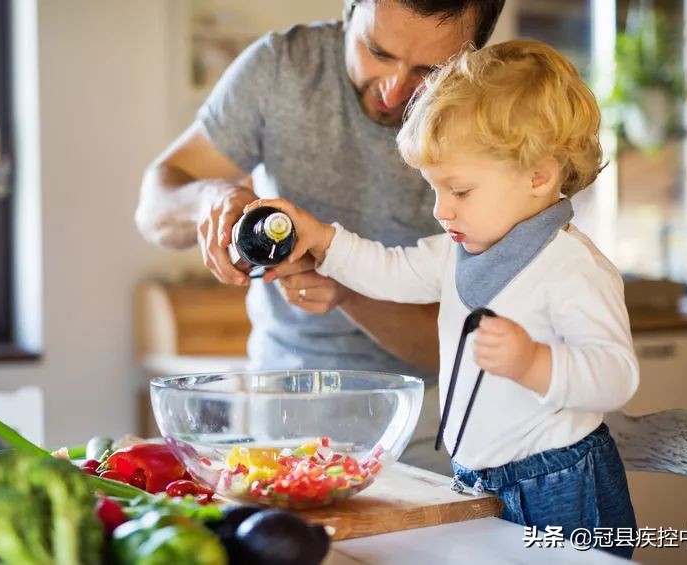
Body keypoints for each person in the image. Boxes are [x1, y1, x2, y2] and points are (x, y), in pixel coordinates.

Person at [246, 39, 640, 559]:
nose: (440, 209)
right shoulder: (456, 252)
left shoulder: (572, 267)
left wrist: (535, 363)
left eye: (460, 190)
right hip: (476, 478)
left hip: (559, 483)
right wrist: (323, 239)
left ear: (539, 176)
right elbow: (389, 270)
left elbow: (617, 376)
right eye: (435, 189)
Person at [135, 0, 506, 474]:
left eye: (429, 71)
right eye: (378, 52)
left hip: (430, 420)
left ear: (474, 53)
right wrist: (210, 198)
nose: (394, 90)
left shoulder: (491, 116)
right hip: (277, 406)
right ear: (351, 10)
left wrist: (347, 289)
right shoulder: (281, 68)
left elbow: (458, 347)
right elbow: (153, 209)